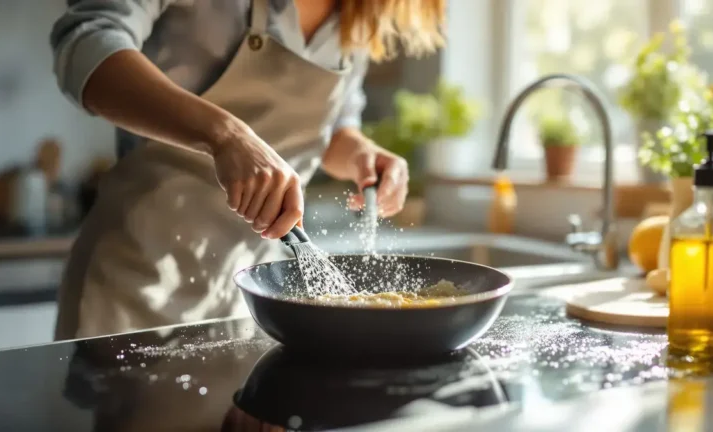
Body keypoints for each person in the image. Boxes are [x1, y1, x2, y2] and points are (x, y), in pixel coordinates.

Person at [50, 0, 445, 340]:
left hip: (247, 295)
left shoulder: (358, 11)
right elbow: (87, 43)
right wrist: (225, 134)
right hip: (136, 287)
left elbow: (334, 126)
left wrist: (360, 152)